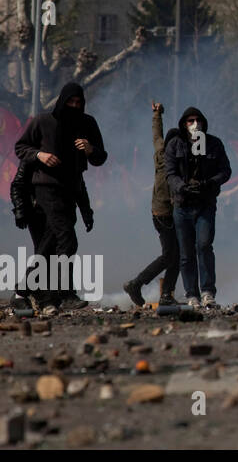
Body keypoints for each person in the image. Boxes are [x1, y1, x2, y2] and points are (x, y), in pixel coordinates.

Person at [14, 82, 107, 312]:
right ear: (62, 101)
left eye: (78, 103)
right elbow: (21, 148)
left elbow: (100, 157)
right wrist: (40, 155)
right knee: (67, 238)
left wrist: (90, 149)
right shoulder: (43, 122)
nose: (74, 106)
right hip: (46, 188)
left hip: (71, 190)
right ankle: (59, 294)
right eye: (70, 102)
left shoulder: (87, 123)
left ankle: (25, 289)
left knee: (50, 243)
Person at [164, 106, 232, 310]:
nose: (195, 125)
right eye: (190, 121)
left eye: (198, 120)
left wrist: (210, 183)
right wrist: (181, 187)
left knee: (204, 245)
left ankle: (207, 292)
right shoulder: (175, 145)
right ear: (183, 124)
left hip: (205, 204)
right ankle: (191, 294)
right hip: (182, 205)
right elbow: (170, 173)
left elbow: (225, 171)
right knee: (186, 253)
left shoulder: (213, 144)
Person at [123, 102, 179, 308]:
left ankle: (165, 294)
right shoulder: (165, 158)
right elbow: (158, 138)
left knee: (176, 254)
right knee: (170, 255)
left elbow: (157, 135)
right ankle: (137, 284)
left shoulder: (165, 154)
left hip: (164, 212)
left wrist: (157, 114)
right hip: (164, 213)